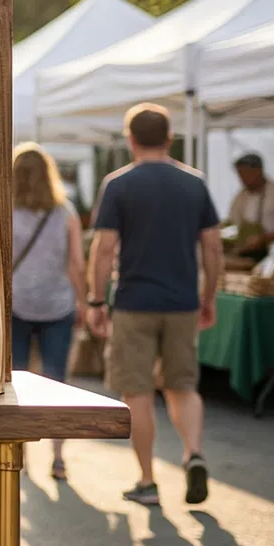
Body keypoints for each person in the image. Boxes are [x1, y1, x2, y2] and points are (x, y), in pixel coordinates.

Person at [87, 104, 220, 507]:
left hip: (134, 301)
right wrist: (209, 296)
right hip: (181, 301)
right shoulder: (194, 184)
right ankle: (193, 453)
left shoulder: (119, 184)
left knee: (138, 392)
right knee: (183, 386)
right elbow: (213, 246)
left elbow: (105, 248)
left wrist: (96, 300)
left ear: (131, 139)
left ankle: (147, 480)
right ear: (169, 137)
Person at [11, 143, 88, 481]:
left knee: (14, 382)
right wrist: (85, 302)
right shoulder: (65, 212)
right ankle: (58, 458)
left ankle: (19, 455)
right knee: (57, 381)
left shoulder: (6, 210)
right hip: (57, 304)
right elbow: (76, 263)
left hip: (15, 305)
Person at [224, 152, 274, 257]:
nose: (242, 178)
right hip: (247, 256)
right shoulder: (240, 197)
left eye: (246, 174)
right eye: (240, 174)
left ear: (258, 171)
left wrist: (265, 238)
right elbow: (231, 226)